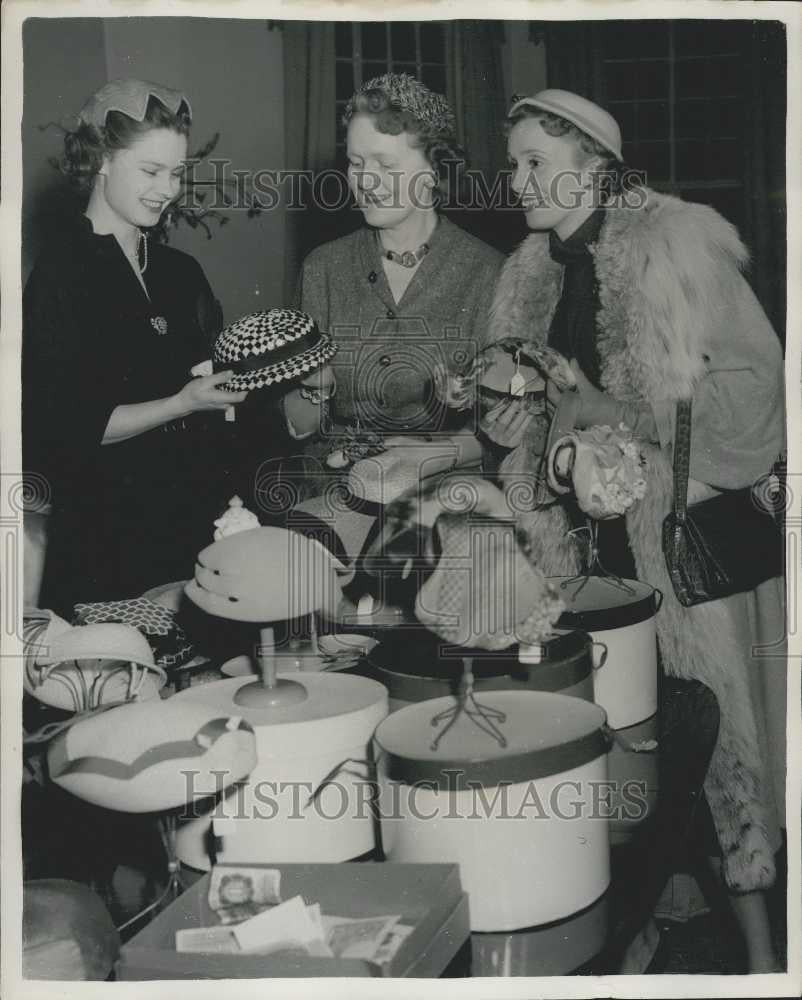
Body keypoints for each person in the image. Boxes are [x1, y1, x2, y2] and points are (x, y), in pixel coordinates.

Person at [481, 90, 785, 972]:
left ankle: (768, 965)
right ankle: (639, 937)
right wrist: (521, 426)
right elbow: (537, 419)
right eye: (513, 163)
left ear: (593, 164)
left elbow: (757, 395)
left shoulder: (675, 246)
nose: (516, 181)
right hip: (579, 551)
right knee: (621, 751)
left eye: (536, 162)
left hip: (675, 543)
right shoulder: (528, 272)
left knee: (719, 748)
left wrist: (621, 419)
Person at [23, 79, 246, 618]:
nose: (167, 189)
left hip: (192, 522)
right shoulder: (62, 274)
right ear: (100, 158)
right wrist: (182, 402)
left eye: (176, 173)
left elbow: (210, 397)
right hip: (107, 534)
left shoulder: (180, 272)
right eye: (150, 171)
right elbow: (67, 427)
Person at [295, 72, 503, 447]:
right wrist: (315, 390)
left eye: (386, 166)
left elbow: (501, 431)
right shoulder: (321, 268)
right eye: (356, 163)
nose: (365, 181)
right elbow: (300, 427)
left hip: (444, 490)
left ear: (433, 172)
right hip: (337, 485)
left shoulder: (490, 273)